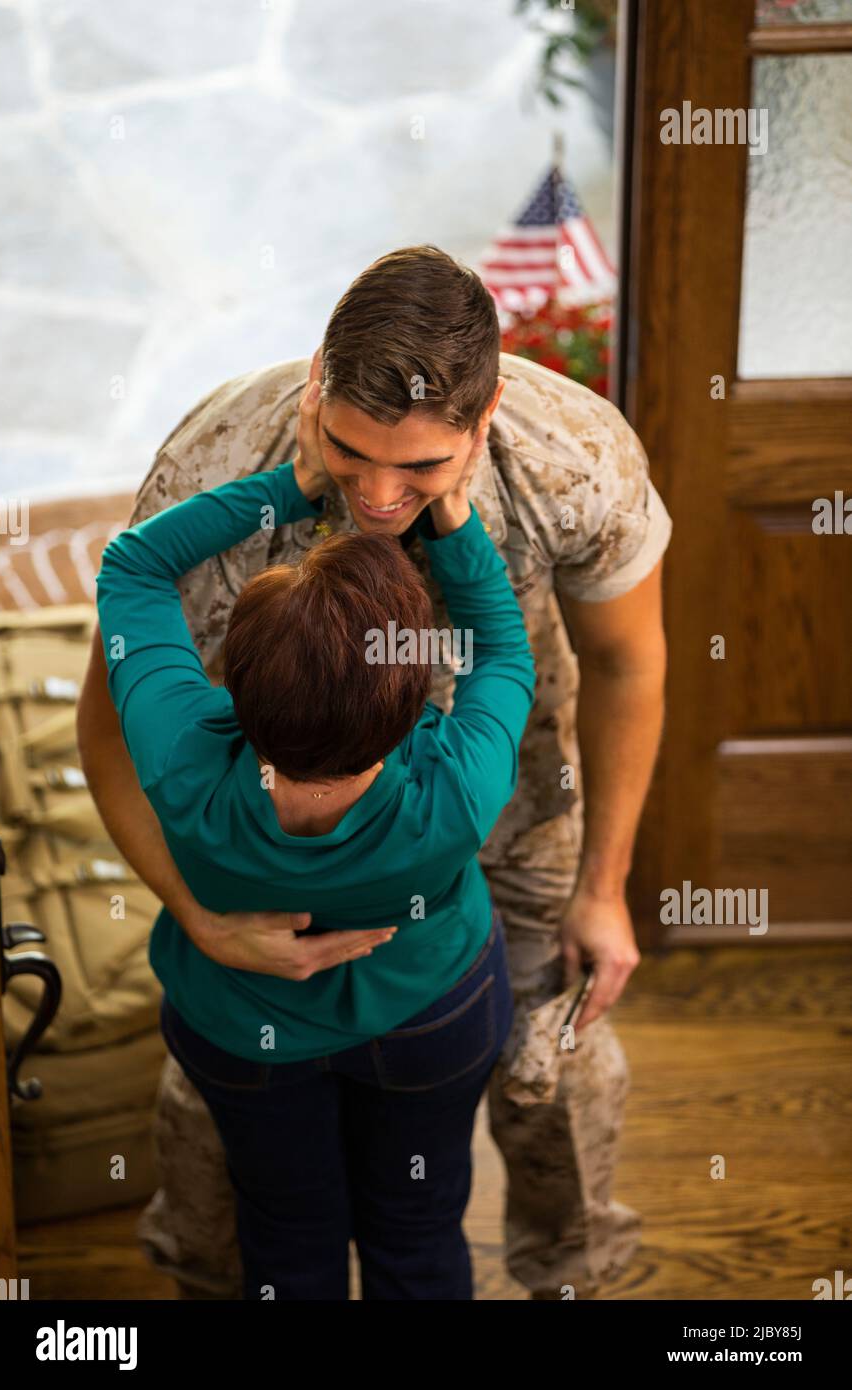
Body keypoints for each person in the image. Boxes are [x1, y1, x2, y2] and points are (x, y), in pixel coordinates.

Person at [78, 244, 672, 1301]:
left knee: (547, 1076)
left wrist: (603, 886)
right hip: (417, 921)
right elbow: (501, 649)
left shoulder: (576, 459)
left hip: (512, 818)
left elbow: (628, 659)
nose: (380, 498)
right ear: (315, 384)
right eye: (350, 457)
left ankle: (574, 1271)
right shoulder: (206, 456)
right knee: (409, 1214)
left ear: (482, 421)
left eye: (422, 471)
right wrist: (202, 915)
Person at [94, 401, 535, 1300]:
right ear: (416, 703)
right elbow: (505, 653)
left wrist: (289, 489)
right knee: (418, 1231)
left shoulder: (180, 754)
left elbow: (132, 564)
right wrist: (446, 506)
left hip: (243, 1034)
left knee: (286, 1237)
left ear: (231, 685)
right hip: (432, 1022)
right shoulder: (458, 788)